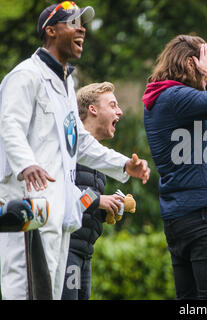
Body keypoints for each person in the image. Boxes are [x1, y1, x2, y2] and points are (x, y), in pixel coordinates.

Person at [0, 2, 150, 300]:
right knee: (23, 291)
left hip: (58, 213)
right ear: (51, 31)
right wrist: (26, 163)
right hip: (27, 206)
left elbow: (79, 142)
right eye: (71, 23)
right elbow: (8, 123)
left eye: (82, 23)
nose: (81, 28)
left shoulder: (67, 85)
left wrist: (124, 166)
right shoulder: (26, 75)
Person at [142, 35, 207, 299]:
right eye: (204, 64)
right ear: (192, 63)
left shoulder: (159, 99)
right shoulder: (177, 97)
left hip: (178, 217)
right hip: (203, 217)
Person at [61, 82, 126, 300]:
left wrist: (109, 208)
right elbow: (62, 192)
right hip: (65, 251)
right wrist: (99, 200)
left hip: (85, 254)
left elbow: (85, 201)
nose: (120, 111)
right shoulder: (70, 148)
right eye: (113, 105)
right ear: (93, 109)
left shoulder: (101, 159)